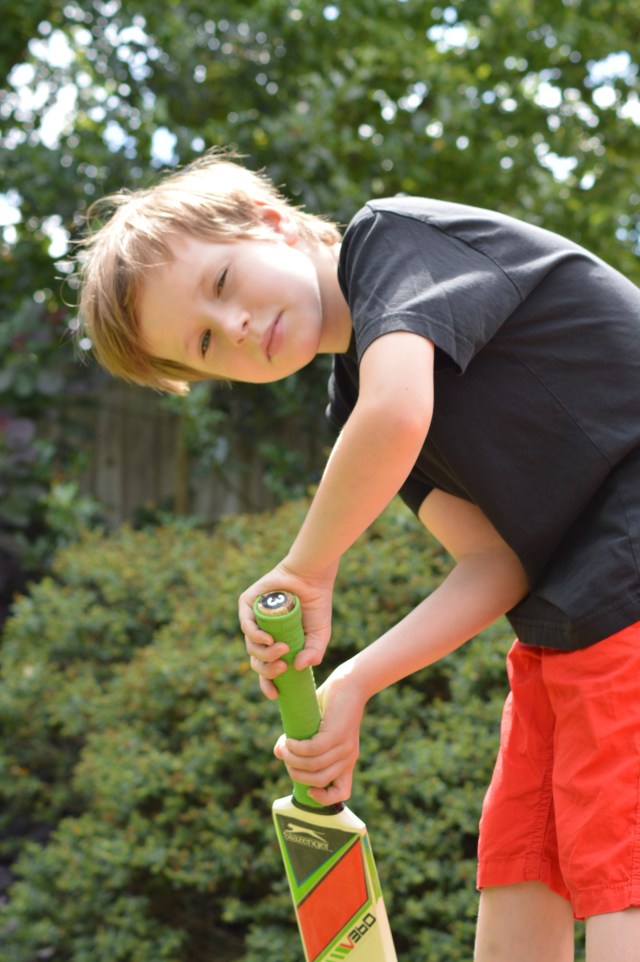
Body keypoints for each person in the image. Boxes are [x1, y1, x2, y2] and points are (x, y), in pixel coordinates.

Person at [77, 150, 640, 961]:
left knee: (622, 883)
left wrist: (306, 567)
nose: (234, 329)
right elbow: (494, 565)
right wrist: (354, 680)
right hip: (566, 624)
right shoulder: (359, 403)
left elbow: (399, 410)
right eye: (205, 343)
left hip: (623, 588)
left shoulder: (394, 241)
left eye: (224, 284)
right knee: (522, 868)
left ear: (268, 222)